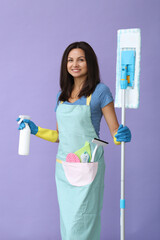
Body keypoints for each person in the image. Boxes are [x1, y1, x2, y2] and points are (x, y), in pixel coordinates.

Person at [17, 41, 131, 240]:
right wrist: (35, 130)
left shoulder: (100, 92)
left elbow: (115, 134)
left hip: (88, 167)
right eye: (70, 60)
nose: (74, 64)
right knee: (69, 225)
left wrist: (121, 135)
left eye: (81, 59)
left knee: (84, 223)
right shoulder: (61, 96)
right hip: (63, 168)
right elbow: (59, 137)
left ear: (90, 63)